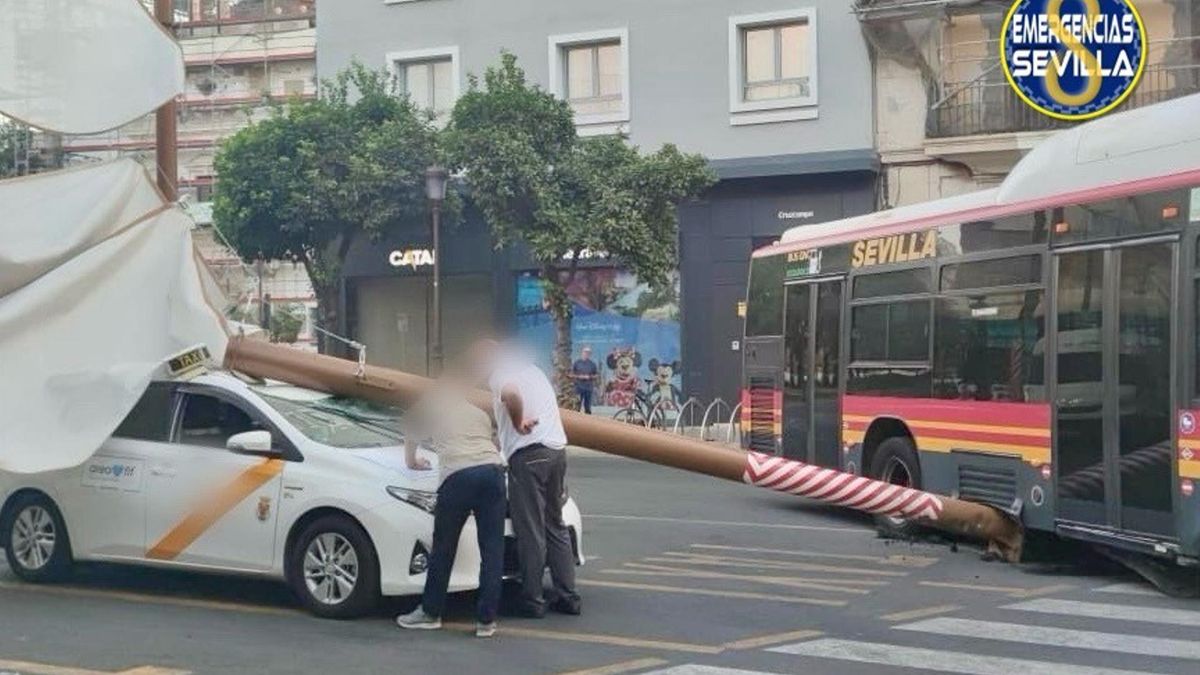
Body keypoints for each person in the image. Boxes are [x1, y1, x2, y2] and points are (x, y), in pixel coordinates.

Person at [395, 363, 506, 638]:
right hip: (492, 472)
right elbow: (497, 440)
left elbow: (411, 428)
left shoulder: (433, 399)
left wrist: (412, 461)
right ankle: (486, 621)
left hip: (457, 475)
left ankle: (430, 612)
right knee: (492, 549)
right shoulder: (476, 403)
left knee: (444, 547)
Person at [483, 340, 581, 617]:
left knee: (531, 529)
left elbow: (511, 395)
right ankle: (568, 596)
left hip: (528, 455)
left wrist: (517, 422)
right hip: (556, 451)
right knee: (555, 524)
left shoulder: (501, 373)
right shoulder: (533, 372)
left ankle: (533, 599)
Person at [570, 346, 599, 414]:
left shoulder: (592, 364)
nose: (586, 354)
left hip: (588, 388)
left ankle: (588, 422)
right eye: (585, 352)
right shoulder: (577, 363)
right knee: (577, 406)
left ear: (590, 354)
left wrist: (589, 377)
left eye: (588, 353)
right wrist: (579, 376)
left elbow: (596, 375)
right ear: (582, 353)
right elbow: (571, 374)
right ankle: (576, 421)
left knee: (587, 407)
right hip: (578, 388)